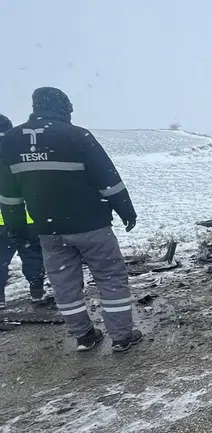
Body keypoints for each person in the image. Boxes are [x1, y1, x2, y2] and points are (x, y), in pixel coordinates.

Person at [0, 87, 142, 352]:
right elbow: (108, 180)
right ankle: (122, 337)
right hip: (92, 226)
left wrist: (17, 228)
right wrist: (126, 211)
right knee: (110, 278)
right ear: (63, 107)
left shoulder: (11, 141)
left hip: (50, 231)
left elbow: (9, 196)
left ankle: (84, 336)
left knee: (64, 284)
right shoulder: (76, 136)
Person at [0, 114, 47, 309]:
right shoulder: (20, 151)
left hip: (2, 221)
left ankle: (0, 301)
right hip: (26, 216)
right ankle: (37, 293)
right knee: (32, 255)